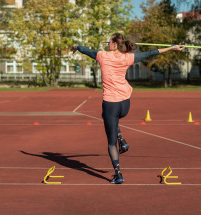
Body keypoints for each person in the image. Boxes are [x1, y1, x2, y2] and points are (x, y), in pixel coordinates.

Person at [70, 33, 184, 184]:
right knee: (108, 118)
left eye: (109, 41)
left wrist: (76, 47)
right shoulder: (127, 58)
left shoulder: (102, 56)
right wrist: (172, 48)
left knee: (111, 143)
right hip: (125, 104)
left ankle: (118, 175)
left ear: (115, 44)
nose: (107, 43)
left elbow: (86, 50)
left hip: (111, 104)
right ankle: (122, 141)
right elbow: (150, 53)